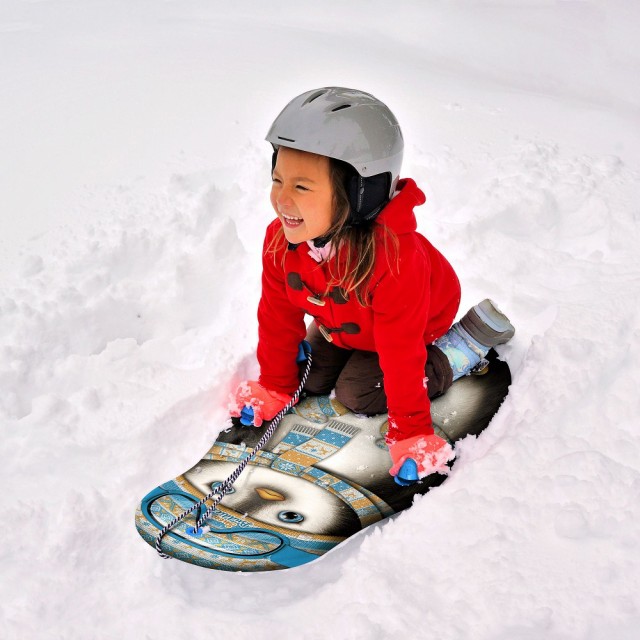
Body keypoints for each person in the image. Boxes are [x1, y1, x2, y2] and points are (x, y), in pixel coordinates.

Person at [230, 87, 514, 484]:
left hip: (411, 325)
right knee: (305, 377)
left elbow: (400, 352)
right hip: (346, 322)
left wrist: (411, 431)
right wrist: (276, 387)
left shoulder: (394, 261)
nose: (281, 199)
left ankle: (461, 345)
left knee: (357, 392)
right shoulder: (281, 241)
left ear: (360, 194)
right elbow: (278, 315)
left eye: (302, 187)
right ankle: (327, 357)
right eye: (278, 180)